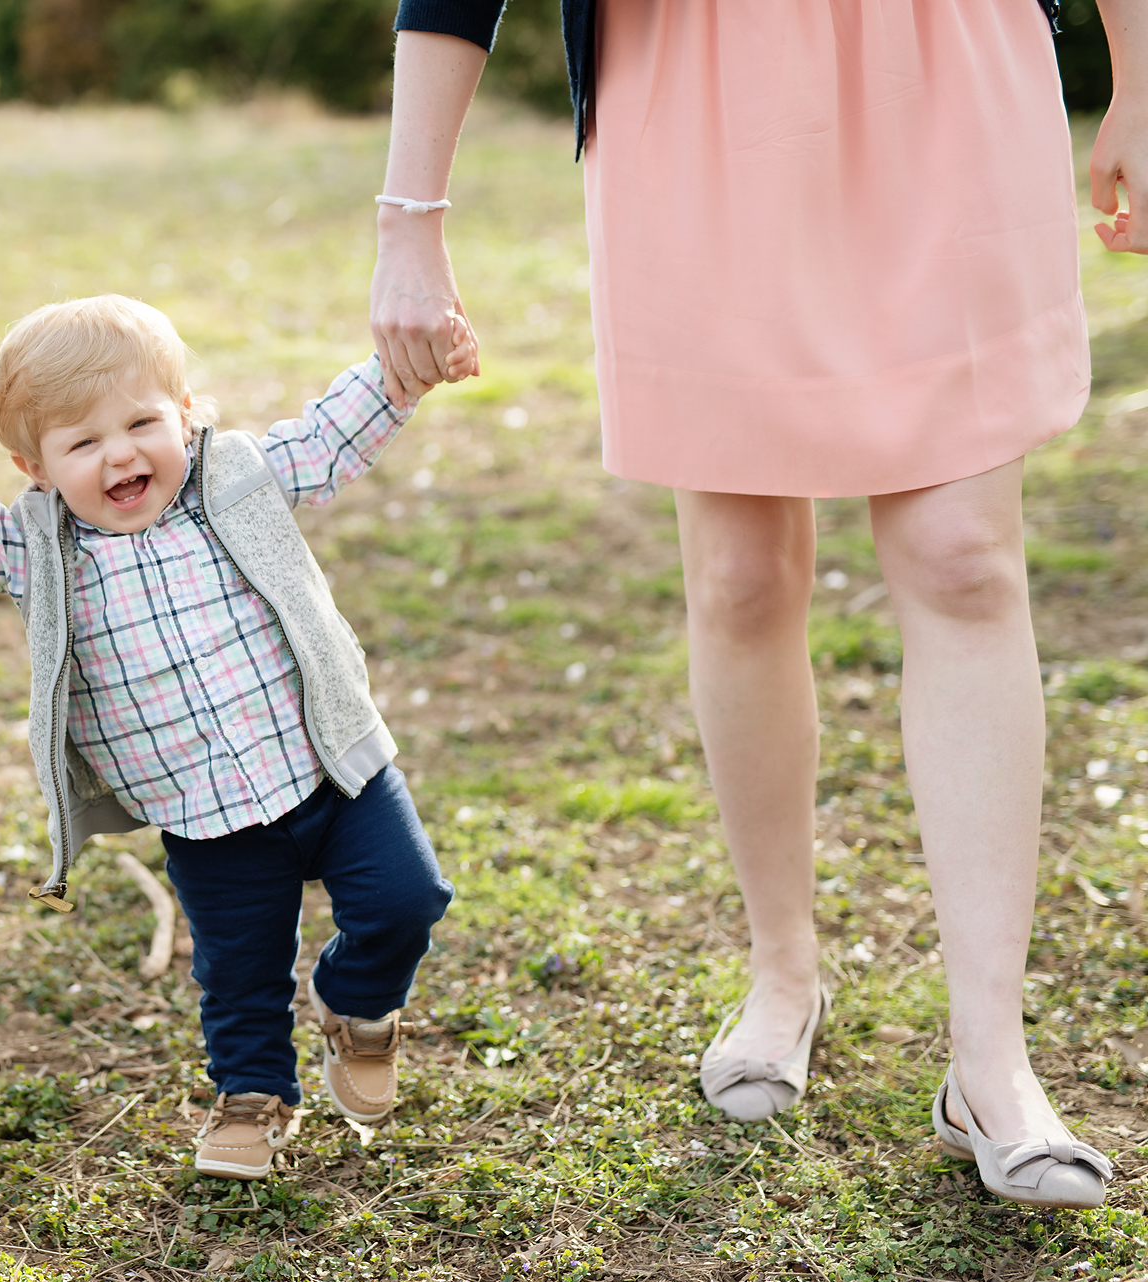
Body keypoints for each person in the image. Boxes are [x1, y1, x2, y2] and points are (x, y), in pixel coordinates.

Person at [372, 0, 1148, 1209]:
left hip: (946, 66)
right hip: (696, 87)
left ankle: (989, 1058)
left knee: (963, 560)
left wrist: (1140, 68)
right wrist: (407, 217)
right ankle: (782, 972)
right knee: (738, 579)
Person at [0, 295, 464, 1178]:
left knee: (408, 899)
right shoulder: (39, 548)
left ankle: (358, 1005)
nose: (122, 453)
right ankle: (252, 1095)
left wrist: (407, 372)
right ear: (35, 466)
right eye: (83, 443)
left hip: (334, 768)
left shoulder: (236, 479)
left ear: (184, 414)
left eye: (142, 422)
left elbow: (330, 437)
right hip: (203, 812)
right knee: (239, 973)